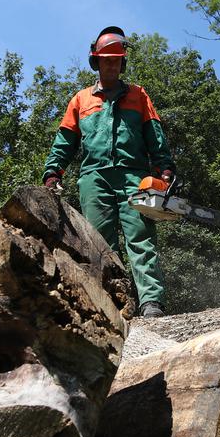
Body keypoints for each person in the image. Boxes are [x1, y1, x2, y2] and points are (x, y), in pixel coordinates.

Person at [43, 26, 175, 318]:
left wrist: (164, 168)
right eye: (106, 60)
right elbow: (65, 140)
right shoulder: (81, 100)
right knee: (99, 244)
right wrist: (53, 173)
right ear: (96, 61)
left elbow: (154, 134)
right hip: (94, 177)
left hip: (133, 176)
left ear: (122, 62)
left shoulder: (139, 96)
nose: (111, 64)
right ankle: (111, 304)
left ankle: (151, 302)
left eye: (116, 60)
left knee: (140, 238)